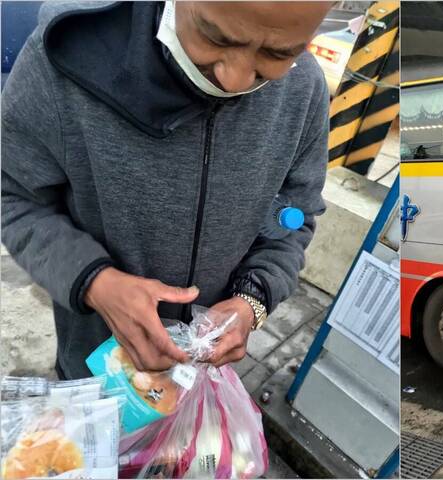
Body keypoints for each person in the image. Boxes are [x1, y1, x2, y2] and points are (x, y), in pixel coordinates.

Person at [1, 1, 333, 379]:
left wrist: (252, 301)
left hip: (203, 374)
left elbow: (293, 218)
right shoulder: (63, 59)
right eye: (214, 36)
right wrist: (94, 282)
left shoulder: (304, 91)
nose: (235, 80)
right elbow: (14, 198)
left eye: (279, 52)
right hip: (97, 370)